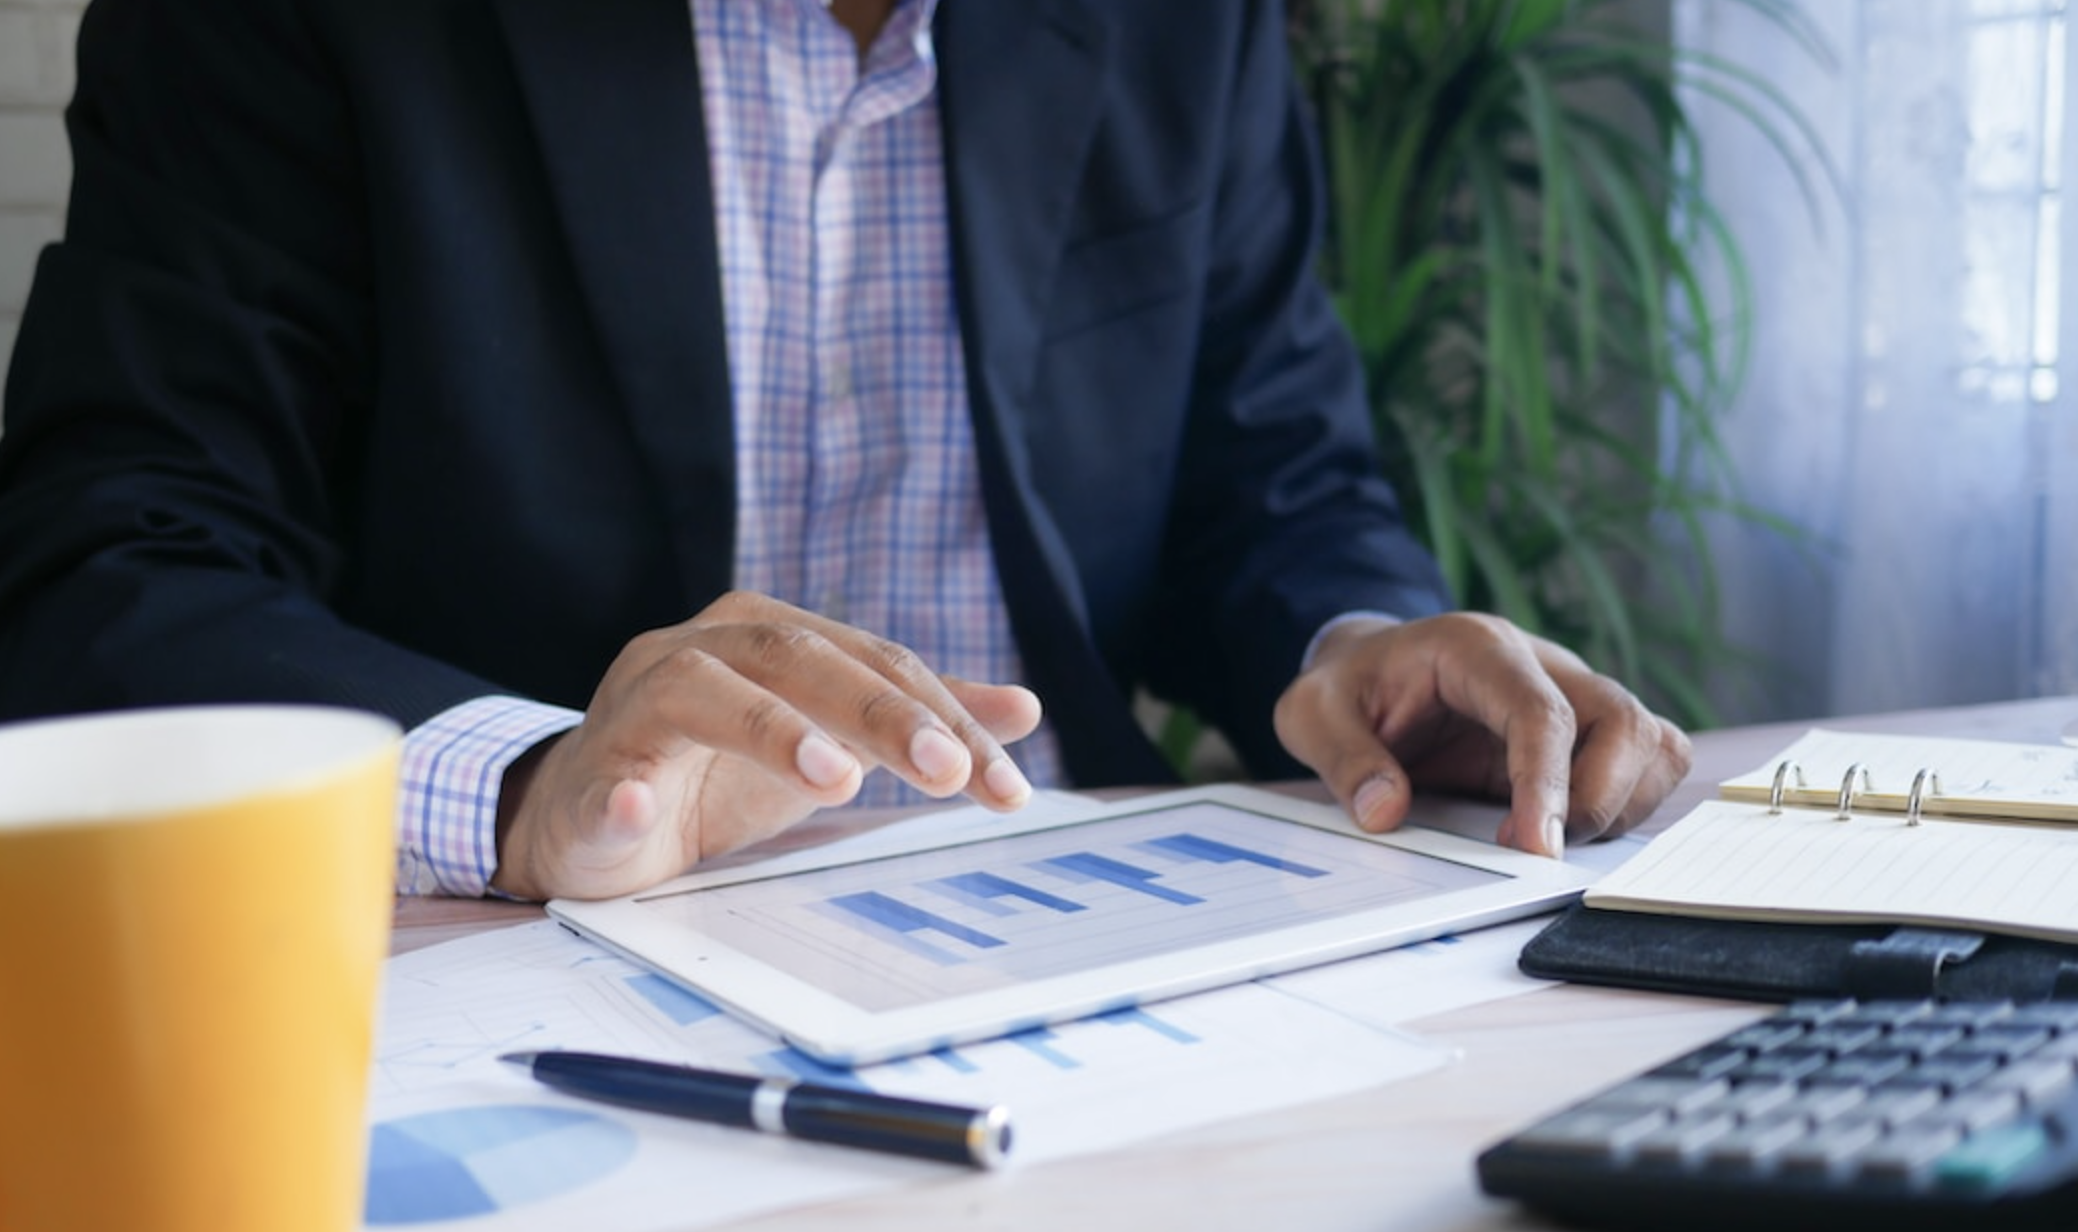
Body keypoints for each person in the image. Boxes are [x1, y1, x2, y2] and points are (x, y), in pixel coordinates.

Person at [0, 0, 1690, 903]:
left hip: (1081, 916)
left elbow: (1268, 475)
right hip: (536, 944)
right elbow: (107, 563)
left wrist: (1362, 643)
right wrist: (527, 789)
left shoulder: (1185, 19)